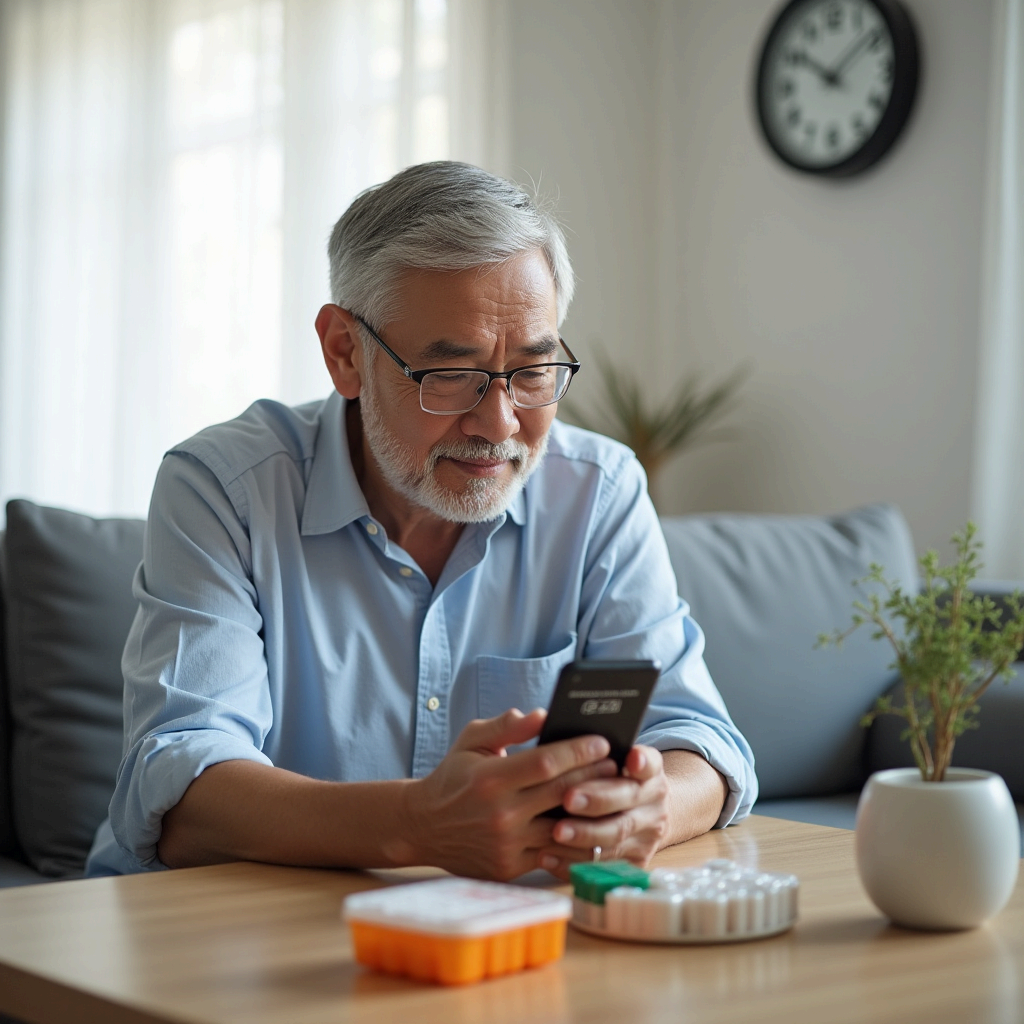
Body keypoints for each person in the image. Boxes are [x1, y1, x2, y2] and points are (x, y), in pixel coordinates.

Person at [86, 161, 757, 882]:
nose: (499, 423)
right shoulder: (223, 489)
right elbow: (183, 798)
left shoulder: (599, 491)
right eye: (450, 375)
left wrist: (649, 808)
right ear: (346, 353)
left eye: (532, 371)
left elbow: (700, 742)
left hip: (497, 942)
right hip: (246, 937)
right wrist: (419, 826)